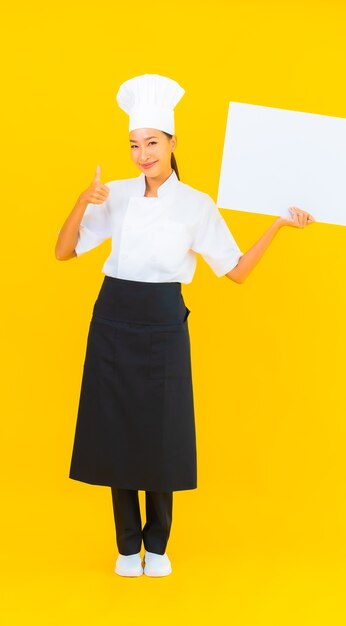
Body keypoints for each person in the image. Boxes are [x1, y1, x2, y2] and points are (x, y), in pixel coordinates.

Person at [55, 73, 315, 579]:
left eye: (151, 143)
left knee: (161, 433)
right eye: (134, 144)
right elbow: (64, 251)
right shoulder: (117, 195)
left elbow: (236, 271)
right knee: (118, 433)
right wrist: (82, 202)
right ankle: (128, 546)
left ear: (172, 143)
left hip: (163, 323)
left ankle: (158, 543)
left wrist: (279, 224)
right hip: (112, 317)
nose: (142, 154)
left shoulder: (197, 205)